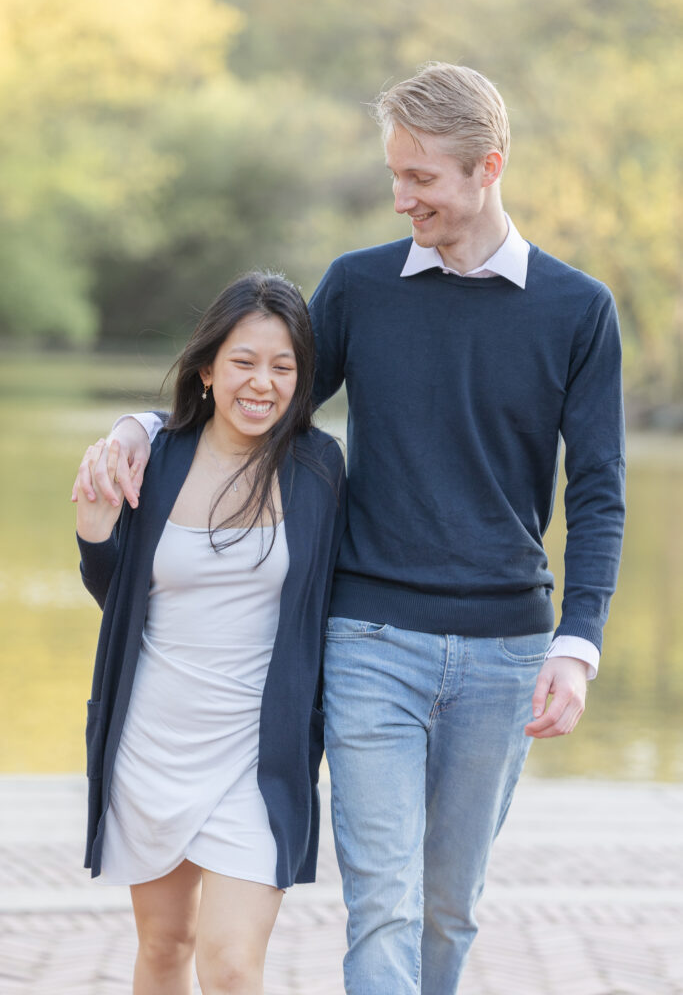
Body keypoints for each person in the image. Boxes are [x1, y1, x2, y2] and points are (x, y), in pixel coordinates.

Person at [75, 64, 625, 994]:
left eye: (422, 179)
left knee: (448, 906)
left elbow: (601, 492)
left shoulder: (577, 309)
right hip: (369, 639)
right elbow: (257, 392)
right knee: (383, 903)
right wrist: (139, 427)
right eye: (394, 174)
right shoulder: (361, 287)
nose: (401, 197)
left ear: (487, 168)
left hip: (504, 653)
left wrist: (578, 641)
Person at [74, 271, 346, 995]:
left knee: (229, 965)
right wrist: (94, 538)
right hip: (154, 743)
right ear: (207, 369)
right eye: (243, 362)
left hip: (257, 756)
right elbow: (122, 597)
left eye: (283, 367)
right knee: (166, 947)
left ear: (302, 378)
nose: (262, 383)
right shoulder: (154, 460)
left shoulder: (318, 470)